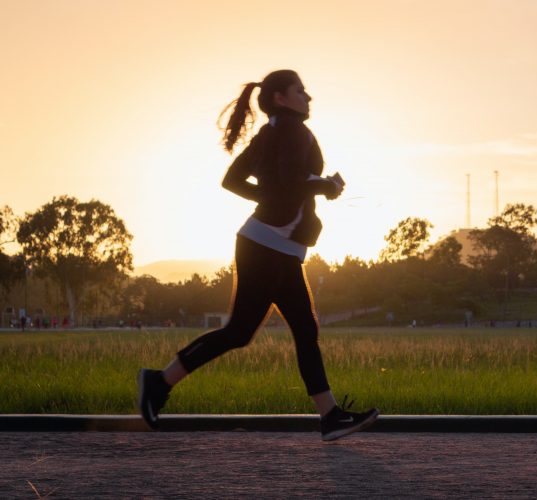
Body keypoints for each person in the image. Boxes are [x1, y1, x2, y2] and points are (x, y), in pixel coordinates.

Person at [138, 69, 378, 441]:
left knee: (296, 329)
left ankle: (330, 416)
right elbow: (289, 182)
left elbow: (234, 180)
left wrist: (273, 199)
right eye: (301, 90)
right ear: (281, 97)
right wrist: (326, 185)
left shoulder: (271, 133)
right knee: (246, 331)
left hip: (271, 244)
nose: (308, 97)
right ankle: (158, 382)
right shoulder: (293, 132)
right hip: (267, 246)